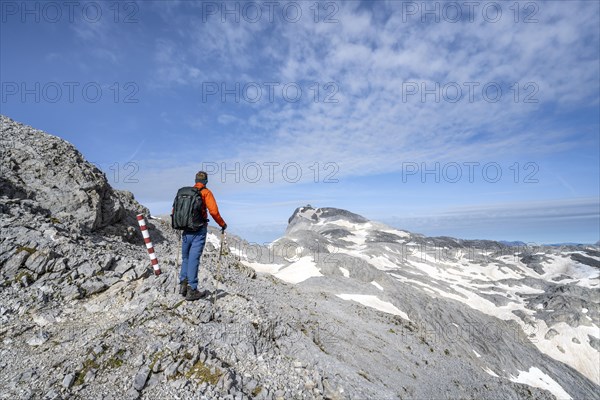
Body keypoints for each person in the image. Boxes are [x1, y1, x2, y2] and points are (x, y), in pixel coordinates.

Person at [179, 171, 227, 301]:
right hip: (198, 230)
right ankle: (192, 289)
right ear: (206, 181)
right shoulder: (206, 193)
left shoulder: (185, 193)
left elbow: (175, 211)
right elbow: (214, 212)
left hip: (185, 229)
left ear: (195, 180)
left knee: (186, 257)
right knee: (194, 258)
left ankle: (183, 284)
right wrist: (222, 224)